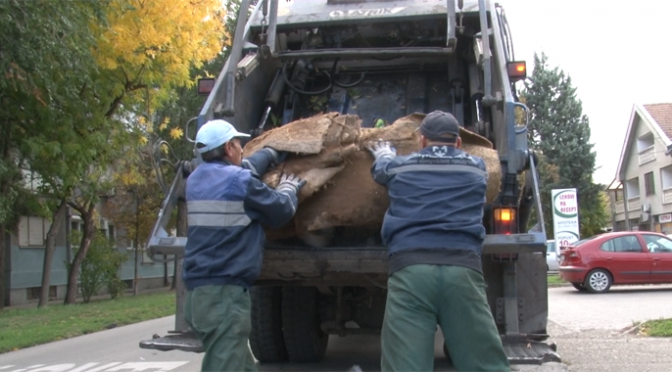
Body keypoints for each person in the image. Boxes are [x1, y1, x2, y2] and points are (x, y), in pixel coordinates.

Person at [368, 110, 510, 372]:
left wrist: (386, 154)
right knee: (485, 364)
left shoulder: (401, 166)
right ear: (458, 142)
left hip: (411, 271)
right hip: (463, 272)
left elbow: (381, 170)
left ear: (422, 140)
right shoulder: (477, 168)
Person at [183, 119, 306, 372]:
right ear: (229, 148)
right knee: (227, 366)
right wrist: (288, 189)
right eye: (239, 144)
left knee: (239, 364)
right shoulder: (239, 182)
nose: (242, 149)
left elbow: (243, 169)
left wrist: (269, 153)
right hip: (223, 295)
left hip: (201, 293)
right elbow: (280, 211)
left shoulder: (195, 180)